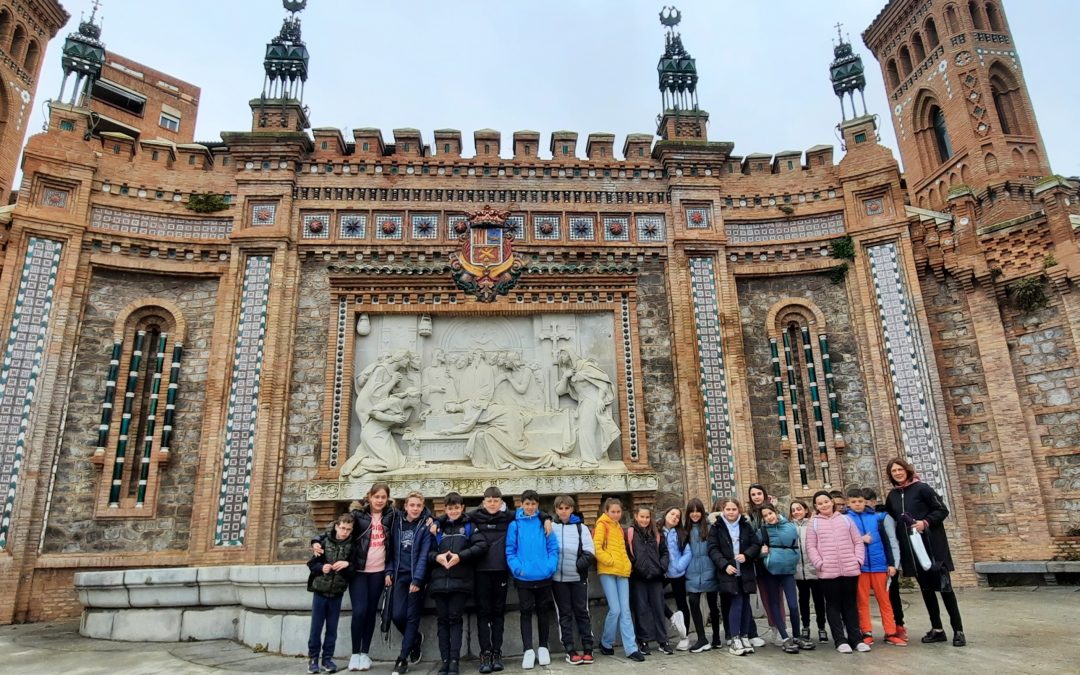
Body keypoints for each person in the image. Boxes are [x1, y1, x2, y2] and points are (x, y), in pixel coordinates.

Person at [310, 483, 396, 673]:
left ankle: (365, 653)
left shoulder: (392, 516)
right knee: (359, 611)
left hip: (379, 571)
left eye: (383, 497)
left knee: (371, 611)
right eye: (377, 497)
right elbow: (335, 530)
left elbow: (413, 519)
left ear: (387, 498)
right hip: (358, 571)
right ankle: (355, 652)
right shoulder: (359, 516)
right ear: (370, 497)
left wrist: (432, 523)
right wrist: (316, 541)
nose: (380, 500)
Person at [884, 457, 965, 647]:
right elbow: (889, 516)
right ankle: (937, 629)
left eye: (899, 469)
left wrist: (925, 522)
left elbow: (941, 510)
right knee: (927, 591)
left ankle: (958, 630)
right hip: (913, 553)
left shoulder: (922, 488)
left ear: (907, 470)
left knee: (945, 590)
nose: (897, 473)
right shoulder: (893, 496)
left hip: (933, 549)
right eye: (893, 471)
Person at [429, 492, 487, 675]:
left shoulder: (469, 526)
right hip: (439, 582)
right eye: (450, 508)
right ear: (444, 509)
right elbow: (426, 552)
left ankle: (454, 661)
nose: (453, 511)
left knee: (455, 620)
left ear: (462, 507)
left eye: (456, 507)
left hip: (460, 582)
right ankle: (444, 660)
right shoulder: (437, 528)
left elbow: (481, 546)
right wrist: (436, 557)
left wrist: (460, 557)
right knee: (442, 622)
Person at [506, 490, 560, 670]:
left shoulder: (544, 522)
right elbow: (510, 549)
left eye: (533, 504)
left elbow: (553, 547)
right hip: (524, 577)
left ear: (538, 505)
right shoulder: (515, 524)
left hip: (544, 575)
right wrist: (517, 569)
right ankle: (528, 649)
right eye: (527, 504)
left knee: (543, 611)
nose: (530, 507)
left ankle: (543, 646)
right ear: (521, 504)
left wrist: (550, 566)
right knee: (526, 612)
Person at [845, 488, 906, 647]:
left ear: (864, 502)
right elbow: (844, 542)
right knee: (862, 602)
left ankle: (890, 632)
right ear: (848, 503)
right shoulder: (846, 520)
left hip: (880, 565)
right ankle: (866, 632)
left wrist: (892, 564)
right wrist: (860, 539)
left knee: (885, 601)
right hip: (860, 567)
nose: (857, 504)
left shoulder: (876, 518)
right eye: (853, 502)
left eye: (860, 501)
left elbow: (887, 543)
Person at [805, 490, 864, 654]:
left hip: (850, 569)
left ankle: (856, 639)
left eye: (826, 501)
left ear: (832, 502)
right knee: (833, 605)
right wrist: (819, 563)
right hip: (828, 571)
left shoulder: (846, 519)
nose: (824, 505)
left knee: (850, 604)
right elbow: (810, 546)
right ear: (816, 507)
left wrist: (858, 560)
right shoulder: (814, 523)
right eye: (819, 503)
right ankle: (840, 640)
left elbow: (858, 542)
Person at [593, 498, 646, 662]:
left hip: (622, 572)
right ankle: (606, 642)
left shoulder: (618, 527)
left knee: (625, 610)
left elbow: (622, 550)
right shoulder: (602, 525)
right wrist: (610, 561)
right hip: (608, 571)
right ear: (606, 511)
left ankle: (631, 648)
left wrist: (627, 565)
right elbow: (597, 548)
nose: (616, 514)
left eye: (618, 511)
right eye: (612, 512)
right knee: (615, 609)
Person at [758, 504, 814, 653]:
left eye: (770, 513)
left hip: (788, 570)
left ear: (775, 512)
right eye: (765, 515)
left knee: (793, 605)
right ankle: (784, 637)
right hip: (771, 571)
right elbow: (755, 549)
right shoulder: (762, 531)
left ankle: (796, 636)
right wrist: (763, 555)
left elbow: (790, 538)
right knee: (775, 603)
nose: (769, 517)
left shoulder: (788, 526)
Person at [708, 497, 760, 657]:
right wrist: (724, 565)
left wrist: (746, 555)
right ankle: (734, 637)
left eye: (734, 509)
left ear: (739, 510)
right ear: (723, 510)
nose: (731, 512)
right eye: (728, 509)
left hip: (745, 570)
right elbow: (712, 549)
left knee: (745, 603)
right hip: (729, 572)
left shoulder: (745, 525)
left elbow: (755, 544)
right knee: (736, 603)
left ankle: (744, 636)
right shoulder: (717, 527)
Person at [307, 513, 357, 674]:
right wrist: (322, 568)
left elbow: (354, 568)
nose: (345, 532)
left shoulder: (352, 546)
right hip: (320, 590)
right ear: (336, 526)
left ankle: (327, 658)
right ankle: (313, 659)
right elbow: (312, 563)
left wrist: (347, 564)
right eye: (342, 528)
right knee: (316, 627)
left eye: (348, 529)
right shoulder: (323, 541)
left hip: (337, 592)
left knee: (332, 628)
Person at [470, 487, 513, 673]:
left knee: (498, 613)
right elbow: (450, 517)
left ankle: (497, 652)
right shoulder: (474, 517)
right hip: (481, 572)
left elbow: (532, 510)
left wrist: (547, 518)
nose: (493, 504)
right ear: (484, 501)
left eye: (496, 500)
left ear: (501, 502)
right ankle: (485, 653)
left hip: (501, 571)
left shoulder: (508, 516)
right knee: (483, 613)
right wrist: (434, 521)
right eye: (489, 500)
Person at [389, 492, 433, 675]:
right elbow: (390, 550)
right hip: (400, 575)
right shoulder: (396, 524)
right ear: (405, 506)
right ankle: (415, 638)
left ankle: (402, 658)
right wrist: (389, 571)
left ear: (423, 507)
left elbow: (424, 555)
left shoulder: (426, 526)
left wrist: (418, 579)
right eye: (412, 505)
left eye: (419, 506)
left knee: (411, 616)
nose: (415, 509)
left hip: (416, 577)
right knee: (397, 615)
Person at [551, 494, 596, 665]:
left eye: (567, 508)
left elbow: (590, 551)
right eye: (560, 508)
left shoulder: (581, 528)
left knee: (582, 612)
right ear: (556, 510)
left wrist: (578, 566)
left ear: (572, 509)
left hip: (577, 578)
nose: (563, 511)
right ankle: (569, 648)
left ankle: (588, 647)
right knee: (564, 614)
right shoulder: (551, 527)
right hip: (557, 579)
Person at [626, 505, 672, 655]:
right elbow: (627, 552)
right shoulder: (630, 533)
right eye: (642, 517)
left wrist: (662, 567)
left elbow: (664, 552)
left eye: (647, 517)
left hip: (656, 577)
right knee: (641, 610)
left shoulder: (656, 533)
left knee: (659, 608)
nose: (644, 520)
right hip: (638, 577)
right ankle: (643, 640)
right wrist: (635, 567)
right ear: (636, 516)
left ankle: (662, 640)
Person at [865, 486, 907, 641]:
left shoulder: (884, 517)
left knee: (892, 596)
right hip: (867, 565)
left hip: (886, 564)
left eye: (868, 501)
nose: (865, 504)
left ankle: (898, 626)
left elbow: (892, 541)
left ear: (874, 501)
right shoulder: (858, 518)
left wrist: (895, 564)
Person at [683, 498, 722, 652]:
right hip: (692, 571)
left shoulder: (711, 527)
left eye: (697, 511)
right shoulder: (684, 529)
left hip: (709, 569)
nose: (695, 514)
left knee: (713, 604)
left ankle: (717, 637)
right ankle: (701, 638)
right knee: (693, 602)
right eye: (691, 511)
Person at [747, 484, 781, 648]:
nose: (756, 497)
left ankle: (782, 628)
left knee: (777, 596)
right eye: (753, 494)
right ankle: (773, 626)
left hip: (774, 558)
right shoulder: (749, 516)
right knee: (766, 597)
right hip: (758, 561)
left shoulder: (773, 511)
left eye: (759, 493)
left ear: (765, 494)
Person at [790, 499, 828, 644]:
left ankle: (821, 627)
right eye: (793, 510)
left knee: (819, 600)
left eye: (799, 509)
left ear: (806, 510)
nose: (796, 512)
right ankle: (805, 626)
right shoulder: (790, 527)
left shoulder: (813, 524)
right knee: (803, 600)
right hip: (799, 570)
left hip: (814, 569)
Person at [661, 506, 692, 651]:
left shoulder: (682, 533)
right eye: (672, 514)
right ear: (666, 514)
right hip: (663, 572)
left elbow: (687, 552)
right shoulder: (657, 531)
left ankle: (685, 637)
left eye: (678, 516)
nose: (674, 517)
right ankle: (672, 616)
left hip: (678, 572)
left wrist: (680, 566)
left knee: (682, 603)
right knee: (654, 596)